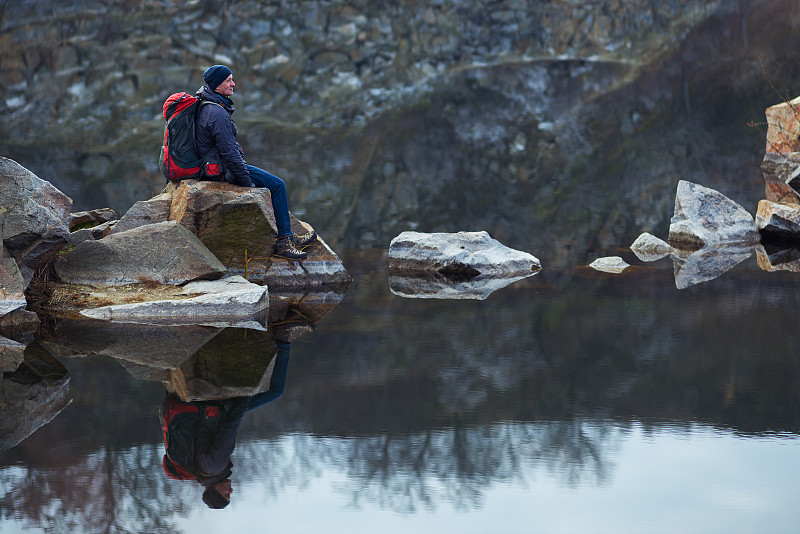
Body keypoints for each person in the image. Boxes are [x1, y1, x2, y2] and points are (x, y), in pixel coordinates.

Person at [195, 64, 316, 260]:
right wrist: (248, 184)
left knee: (274, 183)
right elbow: (230, 153)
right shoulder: (216, 113)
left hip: (212, 166)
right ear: (217, 85)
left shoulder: (206, 104)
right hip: (220, 170)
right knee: (277, 185)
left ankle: (290, 237)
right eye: (228, 80)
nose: (233, 84)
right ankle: (284, 243)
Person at [161, 341, 292, 509]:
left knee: (275, 391)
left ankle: (282, 342)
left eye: (225, 494)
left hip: (215, 409)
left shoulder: (215, 466)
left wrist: (245, 395)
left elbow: (229, 428)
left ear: (215, 490)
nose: (230, 491)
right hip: (201, 412)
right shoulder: (199, 471)